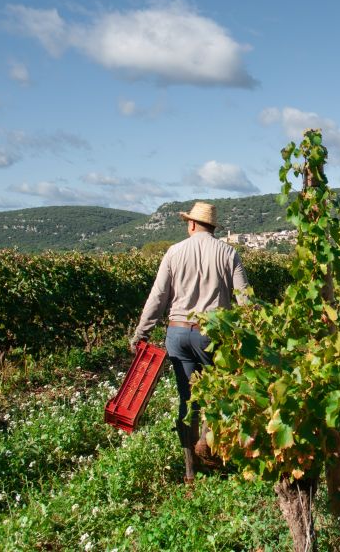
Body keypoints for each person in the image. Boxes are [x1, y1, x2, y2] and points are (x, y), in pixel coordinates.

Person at [131, 201, 249, 484]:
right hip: (213, 334)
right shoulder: (228, 253)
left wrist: (141, 333)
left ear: (193, 224)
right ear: (212, 226)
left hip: (178, 333)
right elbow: (246, 301)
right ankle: (210, 451)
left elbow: (157, 298)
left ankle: (190, 471)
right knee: (218, 396)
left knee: (188, 400)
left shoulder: (174, 252)